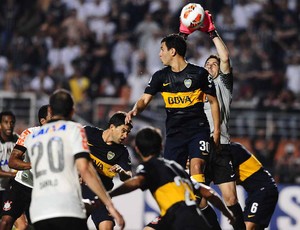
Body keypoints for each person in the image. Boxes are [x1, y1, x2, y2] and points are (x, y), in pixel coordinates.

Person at [125, 33, 220, 193]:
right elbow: (144, 99)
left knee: (196, 166)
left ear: (173, 51)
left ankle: (197, 208)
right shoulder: (160, 76)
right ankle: (183, 209)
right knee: (171, 174)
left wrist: (216, 130)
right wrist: (135, 109)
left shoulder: (199, 74)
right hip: (174, 134)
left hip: (198, 130)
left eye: (162, 49)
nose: (159, 53)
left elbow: (213, 102)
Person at [179, 9, 246, 229]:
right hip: (198, 147)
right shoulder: (197, 84)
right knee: (200, 200)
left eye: (214, 65)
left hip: (221, 146)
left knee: (231, 200)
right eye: (207, 64)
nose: (210, 66)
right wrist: (183, 36)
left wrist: (211, 31)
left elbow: (225, 57)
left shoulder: (223, 85)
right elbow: (177, 64)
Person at [25, 89, 125, 230]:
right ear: (72, 112)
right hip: (66, 206)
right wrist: (109, 204)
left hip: (39, 209)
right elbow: (85, 169)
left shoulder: (33, 136)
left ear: (50, 110)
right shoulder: (74, 129)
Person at [109, 127, 231, 230]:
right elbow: (209, 193)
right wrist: (228, 214)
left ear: (137, 149)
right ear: (161, 147)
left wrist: (110, 195)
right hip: (196, 217)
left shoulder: (149, 166)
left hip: (179, 217)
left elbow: (137, 181)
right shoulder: (176, 168)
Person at [0, 105, 51, 230]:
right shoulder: (30, 133)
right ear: (43, 121)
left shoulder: (64, 136)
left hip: (45, 189)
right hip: (22, 185)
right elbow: (12, 162)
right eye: (53, 117)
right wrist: (33, 165)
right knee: (6, 221)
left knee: (26, 226)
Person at [81, 111, 132, 230]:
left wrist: (121, 171)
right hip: (80, 188)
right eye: (123, 131)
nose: (125, 136)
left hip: (100, 194)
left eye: (128, 133)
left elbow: (128, 176)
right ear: (112, 127)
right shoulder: (88, 132)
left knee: (107, 225)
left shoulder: (122, 152)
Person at [230, 142, 278, 230]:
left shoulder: (232, 150)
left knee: (248, 227)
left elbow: (228, 179)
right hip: (256, 193)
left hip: (263, 190)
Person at [0, 111, 27, 229]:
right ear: (0, 124)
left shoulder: (18, 140)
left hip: (10, 191)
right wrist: (14, 174)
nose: (9, 125)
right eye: (6, 122)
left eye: (12, 122)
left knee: (22, 225)